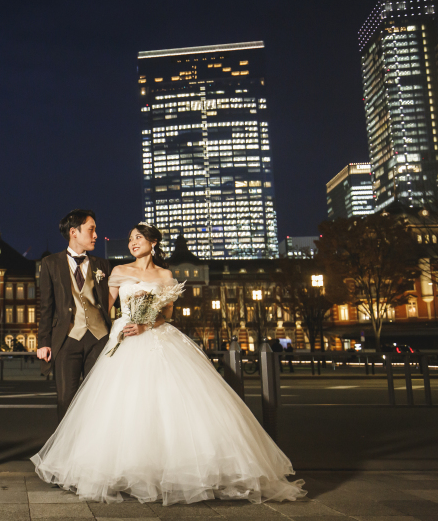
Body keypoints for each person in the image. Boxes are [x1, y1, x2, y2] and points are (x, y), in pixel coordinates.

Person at [32, 222, 306, 506]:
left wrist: (146, 321)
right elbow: (101, 307)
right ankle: (121, 469)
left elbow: (166, 315)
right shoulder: (117, 271)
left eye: (138, 238)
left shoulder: (166, 276)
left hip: (155, 336)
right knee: (121, 406)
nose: (132, 243)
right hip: (123, 336)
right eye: (130, 239)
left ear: (153, 242)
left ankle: (171, 470)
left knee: (169, 403)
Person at [36, 209, 111, 420]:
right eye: (91, 229)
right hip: (67, 339)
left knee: (98, 398)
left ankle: (96, 449)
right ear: (74, 232)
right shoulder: (51, 263)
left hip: (99, 339)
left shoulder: (102, 265)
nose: (96, 235)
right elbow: (46, 306)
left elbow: (111, 301)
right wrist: (44, 342)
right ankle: (66, 451)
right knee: (65, 400)